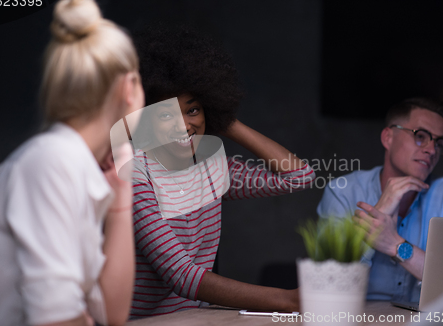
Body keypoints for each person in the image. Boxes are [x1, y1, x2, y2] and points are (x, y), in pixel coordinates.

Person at [127, 25, 316, 318]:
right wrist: (289, 300)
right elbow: (180, 276)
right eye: (166, 114)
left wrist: (225, 120)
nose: (183, 126)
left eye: (193, 110)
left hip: (194, 319)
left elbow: (299, 176)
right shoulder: (135, 175)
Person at [0, 0, 144, 325]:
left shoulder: (72, 162)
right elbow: (56, 318)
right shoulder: (53, 162)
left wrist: (121, 200)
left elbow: (112, 314)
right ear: (129, 88)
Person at [317, 97, 443, 303]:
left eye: (439, 143)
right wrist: (379, 210)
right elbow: (326, 283)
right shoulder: (342, 191)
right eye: (421, 135)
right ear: (388, 138)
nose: (432, 150)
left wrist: (396, 245)